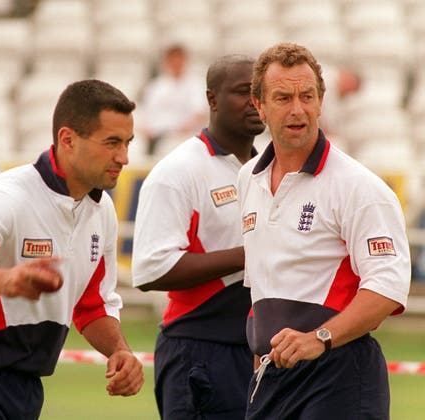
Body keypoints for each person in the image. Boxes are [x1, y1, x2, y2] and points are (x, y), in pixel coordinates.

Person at [0, 79, 144, 419]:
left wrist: (119, 351)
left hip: (25, 387)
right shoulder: (8, 197)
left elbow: (93, 305)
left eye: (127, 143)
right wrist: (3, 281)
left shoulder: (102, 210)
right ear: (67, 139)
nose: (123, 157)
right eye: (112, 143)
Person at [238, 42, 411, 419]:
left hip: (339, 374)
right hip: (272, 377)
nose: (297, 109)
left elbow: (387, 286)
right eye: (283, 97)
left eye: (307, 96)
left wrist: (320, 339)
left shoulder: (360, 187)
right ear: (259, 106)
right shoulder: (247, 180)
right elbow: (261, 287)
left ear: (321, 102)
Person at [132, 55, 266, 419]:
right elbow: (149, 269)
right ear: (211, 99)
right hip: (198, 350)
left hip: (257, 350)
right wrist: (249, 254)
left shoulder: (268, 170)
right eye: (243, 92)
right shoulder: (178, 171)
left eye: (260, 93)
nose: (256, 102)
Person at [138, 44, 208, 156]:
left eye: (179, 58)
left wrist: (179, 130)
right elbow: (145, 115)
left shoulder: (196, 84)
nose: (176, 62)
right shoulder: (156, 86)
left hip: (185, 136)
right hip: (157, 136)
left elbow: (200, 114)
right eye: (172, 58)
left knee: (171, 145)